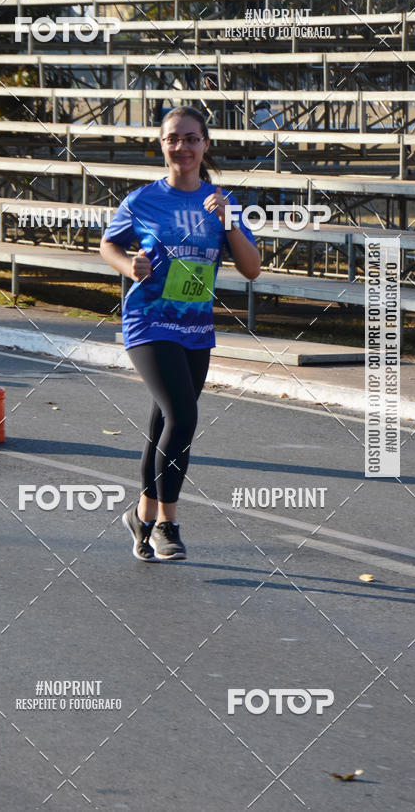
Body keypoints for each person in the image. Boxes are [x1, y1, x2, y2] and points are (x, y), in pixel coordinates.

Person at [99, 106, 260, 562]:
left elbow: (251, 269)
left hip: (195, 327)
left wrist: (229, 221)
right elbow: (109, 244)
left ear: (205, 144)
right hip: (149, 321)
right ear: (162, 145)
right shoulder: (143, 200)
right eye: (173, 138)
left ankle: (141, 516)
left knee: (163, 424)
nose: (182, 147)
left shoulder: (222, 203)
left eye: (191, 138)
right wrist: (128, 265)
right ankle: (167, 526)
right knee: (183, 417)